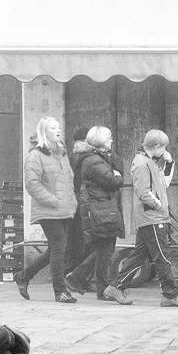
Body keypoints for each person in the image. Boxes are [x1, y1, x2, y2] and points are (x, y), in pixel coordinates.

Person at [106, 129, 178, 308]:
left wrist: (169, 164)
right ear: (157, 146)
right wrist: (159, 206)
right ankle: (170, 294)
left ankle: (116, 286)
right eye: (164, 147)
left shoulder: (148, 162)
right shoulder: (141, 164)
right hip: (152, 217)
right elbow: (143, 192)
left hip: (153, 217)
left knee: (139, 256)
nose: (165, 151)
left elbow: (163, 183)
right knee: (162, 256)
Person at [16, 116, 79, 303]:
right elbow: (32, 184)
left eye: (58, 127)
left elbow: (68, 181)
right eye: (53, 128)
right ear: (44, 132)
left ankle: (24, 276)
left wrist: (71, 201)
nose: (58, 130)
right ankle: (60, 291)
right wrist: (53, 200)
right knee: (59, 248)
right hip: (48, 210)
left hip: (64, 209)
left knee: (55, 249)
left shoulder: (62, 154)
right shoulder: (35, 155)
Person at [74, 126, 130, 304]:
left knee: (104, 250)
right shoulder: (93, 160)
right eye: (109, 138)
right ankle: (94, 285)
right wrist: (117, 175)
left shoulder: (100, 158)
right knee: (105, 251)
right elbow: (114, 181)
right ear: (99, 141)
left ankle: (81, 279)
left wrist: (113, 160)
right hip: (100, 209)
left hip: (104, 208)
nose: (112, 141)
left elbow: (117, 171)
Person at [62, 127, 91, 292]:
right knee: (79, 243)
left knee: (76, 243)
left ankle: (76, 277)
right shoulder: (82, 159)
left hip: (74, 203)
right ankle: (73, 277)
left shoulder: (73, 158)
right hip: (78, 204)